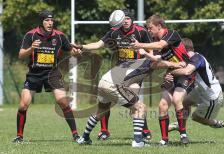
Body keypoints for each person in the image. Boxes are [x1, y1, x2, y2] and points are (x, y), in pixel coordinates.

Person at [77, 48, 184, 147]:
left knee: (101, 111)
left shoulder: (138, 62)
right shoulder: (148, 62)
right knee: (140, 107)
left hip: (103, 82)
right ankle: (138, 141)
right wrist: (176, 64)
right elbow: (157, 63)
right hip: (113, 84)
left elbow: (133, 84)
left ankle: (84, 137)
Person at [76, 9, 153, 141]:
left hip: (134, 73)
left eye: (128, 19)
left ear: (132, 20)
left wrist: (148, 57)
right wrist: (82, 46)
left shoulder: (141, 32)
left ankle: (142, 134)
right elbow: (98, 44)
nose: (126, 21)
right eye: (124, 19)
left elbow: (150, 50)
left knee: (135, 103)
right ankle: (87, 135)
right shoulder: (114, 32)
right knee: (104, 108)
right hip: (119, 72)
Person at [12, 10, 82, 143]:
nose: (50, 23)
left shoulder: (60, 36)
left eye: (51, 20)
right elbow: (21, 55)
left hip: (52, 74)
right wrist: (31, 49)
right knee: (23, 105)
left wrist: (77, 52)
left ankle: (76, 135)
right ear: (41, 22)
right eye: (47, 20)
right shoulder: (31, 35)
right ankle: (19, 136)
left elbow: (72, 52)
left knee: (63, 101)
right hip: (34, 74)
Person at [131, 14, 195, 145]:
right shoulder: (156, 45)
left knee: (177, 99)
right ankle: (164, 140)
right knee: (162, 105)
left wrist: (139, 45)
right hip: (172, 74)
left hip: (186, 74)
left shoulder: (172, 34)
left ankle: (183, 134)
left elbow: (160, 45)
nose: (148, 31)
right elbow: (156, 64)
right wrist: (167, 64)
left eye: (150, 28)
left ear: (159, 26)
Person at [165, 38, 224, 131]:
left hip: (212, 96)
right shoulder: (190, 59)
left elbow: (186, 72)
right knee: (184, 103)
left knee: (195, 117)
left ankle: (215, 122)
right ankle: (180, 125)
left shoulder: (197, 58)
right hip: (201, 90)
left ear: (183, 49)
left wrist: (170, 72)